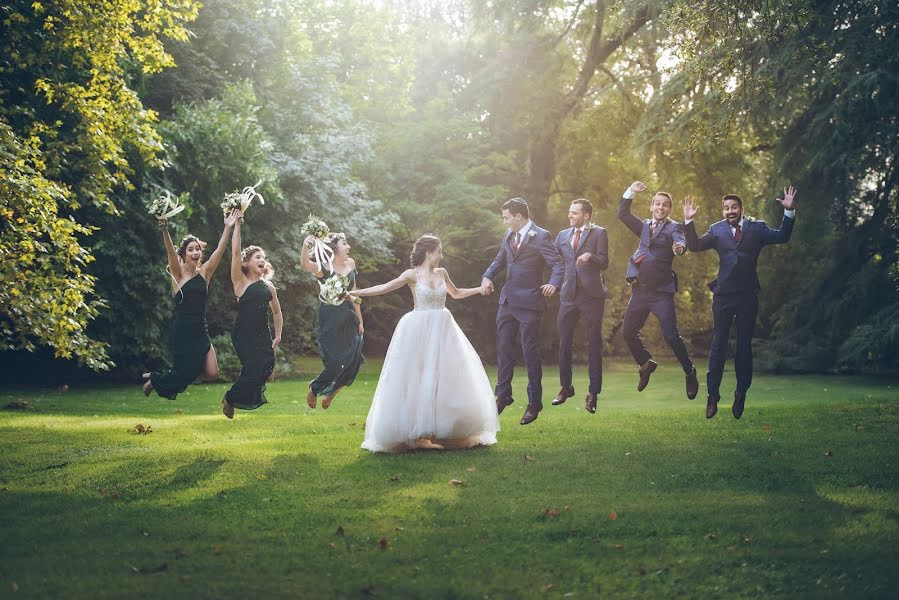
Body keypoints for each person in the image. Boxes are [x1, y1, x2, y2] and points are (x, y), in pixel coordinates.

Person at [353, 235, 498, 453]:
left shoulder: (442, 273)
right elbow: (384, 287)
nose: (442, 255)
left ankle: (437, 431)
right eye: (439, 250)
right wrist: (354, 293)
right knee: (419, 376)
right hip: (418, 329)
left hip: (443, 328)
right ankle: (419, 435)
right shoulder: (411, 275)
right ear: (429, 252)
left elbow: (456, 294)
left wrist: (479, 289)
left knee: (444, 376)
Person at [683, 186, 796, 419]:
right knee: (718, 345)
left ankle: (740, 392)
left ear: (741, 209)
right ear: (723, 211)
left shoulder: (757, 228)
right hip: (723, 295)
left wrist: (789, 211)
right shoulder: (716, 230)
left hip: (747, 296)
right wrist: (688, 221)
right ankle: (712, 396)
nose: (729, 211)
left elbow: (782, 236)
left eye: (733, 207)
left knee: (744, 347)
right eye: (726, 208)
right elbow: (694, 246)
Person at [482, 198, 564, 425]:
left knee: (530, 353)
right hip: (507, 302)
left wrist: (553, 284)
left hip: (530, 304)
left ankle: (534, 403)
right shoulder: (509, 235)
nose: (505, 222)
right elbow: (500, 259)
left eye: (506, 217)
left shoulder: (541, 236)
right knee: (503, 348)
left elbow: (557, 265)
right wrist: (487, 275)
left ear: (519, 216)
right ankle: (503, 395)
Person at [142, 210, 239, 398]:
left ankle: (156, 378)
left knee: (212, 373)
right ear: (184, 254)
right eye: (191, 249)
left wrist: (228, 227)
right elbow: (170, 251)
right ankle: (154, 380)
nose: (195, 252)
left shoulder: (205, 273)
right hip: (183, 330)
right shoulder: (178, 274)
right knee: (185, 373)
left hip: (200, 329)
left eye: (198, 249)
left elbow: (219, 250)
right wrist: (165, 229)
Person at [618, 181, 698, 399]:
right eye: (658, 204)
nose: (661, 208)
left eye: (665, 205)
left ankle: (690, 372)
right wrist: (631, 191)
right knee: (628, 332)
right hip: (640, 290)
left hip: (661, 292)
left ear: (669, 209)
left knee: (671, 336)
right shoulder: (643, 226)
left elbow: (681, 242)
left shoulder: (674, 227)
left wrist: (680, 248)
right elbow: (623, 214)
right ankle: (645, 363)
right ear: (652, 206)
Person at [222, 211, 283, 418]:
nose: (263, 261)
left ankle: (234, 396)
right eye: (258, 257)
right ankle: (230, 398)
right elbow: (236, 251)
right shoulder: (240, 281)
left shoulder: (269, 286)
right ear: (247, 263)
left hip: (263, 334)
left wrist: (278, 335)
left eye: (264, 258)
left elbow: (276, 311)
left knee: (267, 370)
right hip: (244, 334)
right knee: (255, 368)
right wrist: (237, 224)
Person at [552, 198, 608, 414]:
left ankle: (593, 393)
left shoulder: (599, 233)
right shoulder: (562, 236)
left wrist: (590, 256)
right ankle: (566, 387)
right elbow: (552, 258)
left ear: (586, 215)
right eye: (570, 212)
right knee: (564, 342)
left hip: (592, 295)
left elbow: (604, 261)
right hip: (568, 295)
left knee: (593, 342)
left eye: (575, 212)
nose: (570, 215)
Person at [300, 232, 364, 409]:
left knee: (354, 360)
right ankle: (315, 388)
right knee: (336, 361)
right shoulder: (324, 267)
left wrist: (360, 320)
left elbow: (354, 293)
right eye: (345, 243)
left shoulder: (351, 264)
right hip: (329, 318)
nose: (348, 246)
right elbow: (305, 264)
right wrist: (306, 245)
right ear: (335, 248)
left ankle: (330, 395)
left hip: (349, 317)